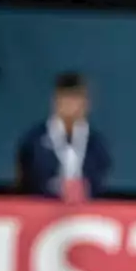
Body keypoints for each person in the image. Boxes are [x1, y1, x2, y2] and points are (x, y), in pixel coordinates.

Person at [16, 71, 111, 202]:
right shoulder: (35, 140)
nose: (71, 105)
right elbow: (24, 180)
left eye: (77, 99)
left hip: (85, 213)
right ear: (56, 101)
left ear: (86, 104)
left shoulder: (96, 143)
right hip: (40, 209)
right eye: (66, 98)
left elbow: (100, 180)